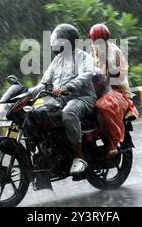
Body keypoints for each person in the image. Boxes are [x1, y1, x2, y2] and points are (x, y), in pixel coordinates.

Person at [29, 24, 96, 175]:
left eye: (60, 42)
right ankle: (48, 153)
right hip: (61, 99)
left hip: (82, 98)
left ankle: (79, 158)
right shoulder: (57, 61)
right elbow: (44, 83)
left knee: (69, 113)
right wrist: (26, 93)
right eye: (55, 41)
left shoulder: (84, 57)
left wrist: (67, 87)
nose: (56, 45)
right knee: (38, 114)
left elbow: (85, 76)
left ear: (69, 42)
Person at [89, 23, 139, 157]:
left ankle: (112, 144)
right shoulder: (92, 54)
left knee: (103, 105)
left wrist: (107, 73)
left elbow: (120, 76)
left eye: (101, 41)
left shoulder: (114, 52)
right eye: (96, 41)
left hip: (117, 92)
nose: (98, 43)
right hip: (98, 91)